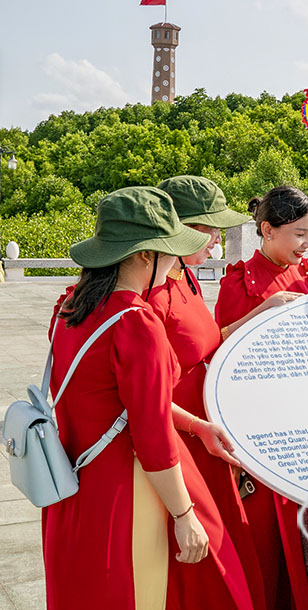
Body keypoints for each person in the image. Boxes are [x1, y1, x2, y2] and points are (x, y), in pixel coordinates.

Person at [42, 187, 257, 610]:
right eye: (170, 249)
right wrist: (184, 515)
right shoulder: (136, 322)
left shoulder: (70, 306)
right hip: (126, 491)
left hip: (71, 484)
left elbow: (123, 402)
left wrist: (196, 425)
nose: (176, 260)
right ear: (145, 255)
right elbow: (151, 437)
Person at [215, 185, 308, 610]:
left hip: (306, 422)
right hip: (260, 429)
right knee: (268, 545)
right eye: (300, 234)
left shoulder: (306, 273)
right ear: (268, 230)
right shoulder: (240, 280)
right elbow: (220, 360)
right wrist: (265, 309)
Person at [154, 175, 267, 609]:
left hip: (206, 430)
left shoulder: (186, 276)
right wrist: (196, 427)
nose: (217, 238)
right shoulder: (150, 292)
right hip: (179, 438)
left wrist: (261, 313)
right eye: (208, 227)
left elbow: (204, 341)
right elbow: (142, 395)